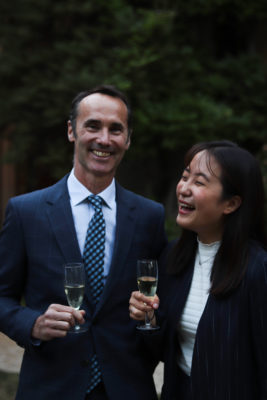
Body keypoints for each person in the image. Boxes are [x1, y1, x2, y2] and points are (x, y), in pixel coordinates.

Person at [0, 85, 168, 400]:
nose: (104, 139)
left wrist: (153, 316)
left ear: (128, 139)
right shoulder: (26, 212)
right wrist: (32, 323)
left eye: (115, 129)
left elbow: (164, 305)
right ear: (71, 131)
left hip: (127, 388)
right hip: (49, 388)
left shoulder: (149, 216)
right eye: (93, 126)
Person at [129, 140, 267, 400]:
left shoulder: (258, 269)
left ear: (231, 204)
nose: (184, 189)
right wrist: (149, 319)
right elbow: (163, 351)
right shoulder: (173, 257)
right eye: (184, 177)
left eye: (199, 182)